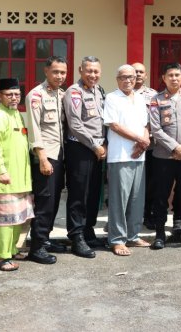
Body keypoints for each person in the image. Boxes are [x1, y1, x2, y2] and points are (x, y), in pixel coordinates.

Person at [148, 62, 181, 249]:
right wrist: (174, 148)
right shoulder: (156, 100)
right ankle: (160, 234)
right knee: (161, 196)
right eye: (170, 75)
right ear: (164, 78)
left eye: (177, 75)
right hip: (163, 157)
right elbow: (156, 128)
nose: (174, 78)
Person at [0, 78, 34, 272]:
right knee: (4, 220)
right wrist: (1, 171)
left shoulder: (16, 114)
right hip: (5, 178)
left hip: (20, 178)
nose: (13, 98)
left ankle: (11, 249)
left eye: (16, 94)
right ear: (0, 96)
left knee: (17, 218)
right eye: (9, 94)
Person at [104, 64, 151, 256]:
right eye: (123, 77)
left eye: (131, 77)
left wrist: (144, 141)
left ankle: (132, 235)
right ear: (117, 79)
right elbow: (114, 125)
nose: (128, 80)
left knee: (136, 199)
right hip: (120, 156)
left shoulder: (140, 98)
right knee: (119, 200)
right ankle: (117, 239)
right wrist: (139, 139)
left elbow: (145, 124)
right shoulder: (112, 98)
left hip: (139, 154)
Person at [25, 56, 68, 264]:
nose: (59, 76)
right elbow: (34, 129)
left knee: (54, 199)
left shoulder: (64, 95)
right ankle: (37, 246)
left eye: (63, 72)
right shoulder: (36, 95)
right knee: (44, 202)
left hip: (61, 156)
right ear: (46, 71)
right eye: (55, 72)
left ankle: (46, 238)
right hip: (47, 156)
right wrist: (42, 158)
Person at [63, 56, 106, 258]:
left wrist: (102, 144)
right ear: (81, 70)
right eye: (89, 71)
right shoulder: (74, 92)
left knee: (93, 194)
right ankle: (76, 236)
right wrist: (95, 145)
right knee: (78, 194)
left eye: (96, 71)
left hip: (97, 149)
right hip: (80, 148)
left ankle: (88, 230)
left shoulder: (100, 91)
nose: (93, 75)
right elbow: (75, 124)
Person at [132, 62, 159, 230]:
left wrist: (144, 139)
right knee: (125, 184)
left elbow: (155, 119)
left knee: (150, 183)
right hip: (126, 146)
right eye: (135, 71)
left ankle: (148, 214)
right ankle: (122, 217)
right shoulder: (120, 93)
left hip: (149, 146)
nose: (138, 74)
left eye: (141, 72)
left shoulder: (153, 95)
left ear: (146, 75)